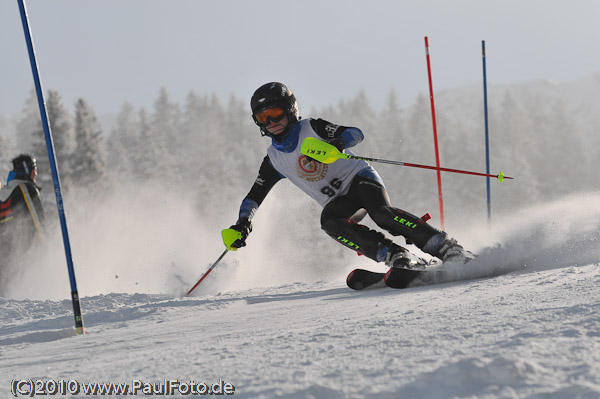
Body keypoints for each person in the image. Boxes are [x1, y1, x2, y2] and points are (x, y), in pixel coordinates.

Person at [223, 82, 472, 271]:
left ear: (290, 110)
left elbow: (355, 134)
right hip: (339, 200)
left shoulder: (312, 128)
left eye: (275, 113)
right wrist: (243, 224)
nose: (271, 122)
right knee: (329, 221)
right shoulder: (273, 160)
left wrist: (335, 143)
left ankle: (444, 246)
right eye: (262, 118)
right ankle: (394, 254)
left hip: (360, 179)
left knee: (382, 214)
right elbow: (253, 197)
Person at [0, 154, 45, 291]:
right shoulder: (25, 188)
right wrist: (45, 247)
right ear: (28, 171)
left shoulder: (4, 192)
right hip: (24, 256)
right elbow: (37, 221)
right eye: (34, 172)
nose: (35, 176)